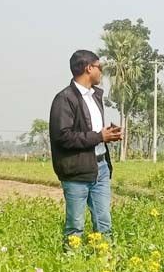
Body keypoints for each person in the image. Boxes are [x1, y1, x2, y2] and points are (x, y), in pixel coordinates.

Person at [49, 50, 122, 248]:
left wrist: (108, 135)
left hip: (100, 167)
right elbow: (62, 136)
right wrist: (99, 136)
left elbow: (91, 131)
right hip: (76, 171)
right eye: (100, 67)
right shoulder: (64, 99)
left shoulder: (95, 96)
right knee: (75, 226)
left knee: (104, 223)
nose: (101, 72)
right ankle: (73, 268)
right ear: (89, 68)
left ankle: (104, 263)